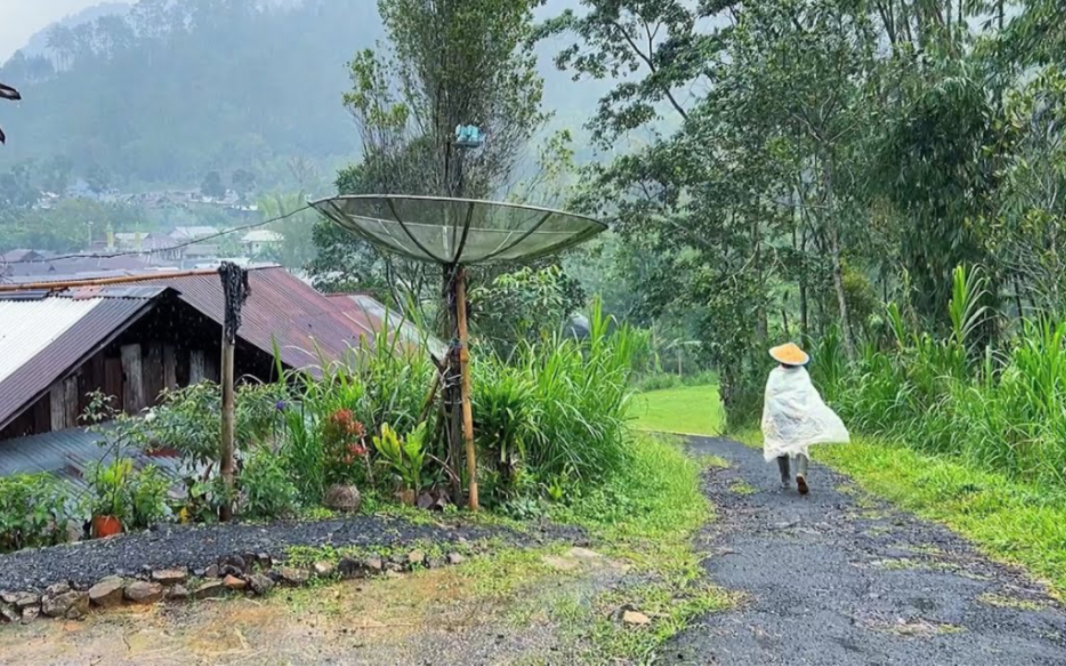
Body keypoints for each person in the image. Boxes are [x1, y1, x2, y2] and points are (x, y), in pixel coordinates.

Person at [761, 342, 849, 495]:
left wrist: (773, 417)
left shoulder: (775, 374)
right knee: (803, 443)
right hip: (799, 415)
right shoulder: (801, 374)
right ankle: (801, 473)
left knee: (780, 445)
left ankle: (785, 480)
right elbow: (808, 395)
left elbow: (770, 396)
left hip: (781, 417)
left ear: (780, 359)